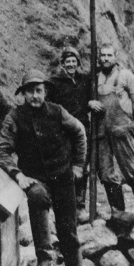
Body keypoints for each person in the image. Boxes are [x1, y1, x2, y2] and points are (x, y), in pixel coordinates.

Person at [0, 69, 87, 266]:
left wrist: (78, 166)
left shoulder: (57, 112)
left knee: (69, 232)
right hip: (35, 177)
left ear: (45, 92)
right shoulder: (15, 117)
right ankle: (44, 259)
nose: (34, 96)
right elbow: (0, 151)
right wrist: (18, 175)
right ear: (22, 94)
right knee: (36, 197)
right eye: (29, 92)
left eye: (39, 91)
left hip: (63, 175)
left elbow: (79, 132)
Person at [88, 43, 134, 218]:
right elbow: (87, 99)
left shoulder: (125, 76)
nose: (106, 59)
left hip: (121, 130)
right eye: (103, 55)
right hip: (101, 132)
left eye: (109, 55)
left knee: (131, 169)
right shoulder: (95, 78)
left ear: (115, 57)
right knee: (107, 173)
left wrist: (126, 117)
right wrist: (90, 103)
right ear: (99, 58)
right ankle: (118, 212)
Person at [48, 46, 91, 213]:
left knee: (82, 166)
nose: (71, 64)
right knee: (62, 165)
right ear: (63, 64)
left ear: (78, 63)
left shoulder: (84, 80)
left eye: (74, 61)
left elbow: (90, 98)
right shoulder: (54, 82)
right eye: (68, 62)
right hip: (63, 130)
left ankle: (79, 205)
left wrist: (90, 103)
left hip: (83, 130)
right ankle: (61, 203)